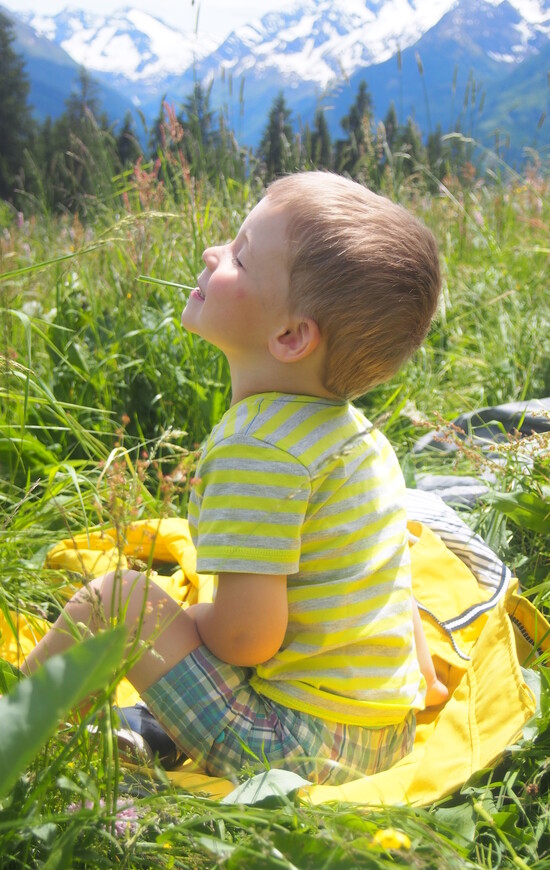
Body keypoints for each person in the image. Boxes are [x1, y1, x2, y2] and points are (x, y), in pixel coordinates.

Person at [21, 171, 447, 785]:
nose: (210, 253)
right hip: (382, 730)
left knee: (119, 601)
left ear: (291, 336)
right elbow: (387, 579)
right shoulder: (357, 435)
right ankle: (144, 736)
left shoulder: (258, 448)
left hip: (294, 746)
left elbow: (248, 637)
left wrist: (165, 627)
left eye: (241, 257)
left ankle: (21, 733)